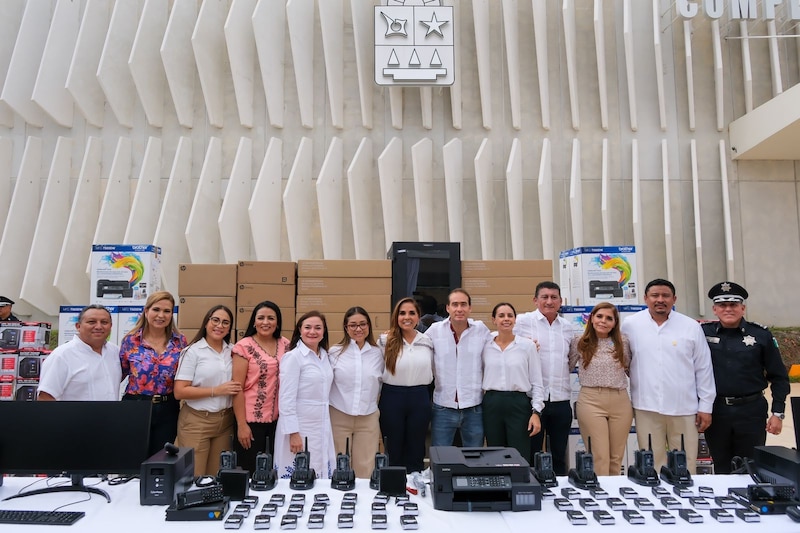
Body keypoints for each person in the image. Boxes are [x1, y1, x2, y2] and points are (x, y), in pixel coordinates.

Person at [621, 278, 715, 474]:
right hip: (646, 407)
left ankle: (685, 502)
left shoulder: (690, 326)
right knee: (650, 465)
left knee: (685, 465)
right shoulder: (630, 325)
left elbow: (703, 367)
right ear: (646, 298)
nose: (660, 300)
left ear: (674, 299)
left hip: (683, 408)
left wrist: (706, 406)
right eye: (655, 295)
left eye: (666, 296)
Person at [702, 281, 790, 473]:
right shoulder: (703, 333)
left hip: (751, 411)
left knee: (750, 466)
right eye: (723, 305)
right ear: (714, 309)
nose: (728, 309)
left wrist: (778, 413)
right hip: (716, 411)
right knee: (721, 465)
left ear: (743, 308)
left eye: (733, 305)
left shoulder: (761, 335)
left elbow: (779, 377)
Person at [173, 305, 241, 476]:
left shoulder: (233, 351)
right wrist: (216, 390)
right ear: (206, 322)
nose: (220, 326)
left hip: (225, 421)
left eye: (225, 323)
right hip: (197, 421)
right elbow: (179, 391)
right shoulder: (192, 352)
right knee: (194, 476)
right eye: (215, 320)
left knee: (217, 476)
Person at [513, 281, 572, 474]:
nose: (549, 301)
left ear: (560, 301)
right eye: (544, 297)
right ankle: (534, 491)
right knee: (532, 453)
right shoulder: (522, 322)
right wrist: (524, 345)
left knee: (559, 453)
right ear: (535, 300)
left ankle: (561, 493)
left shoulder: (568, 327)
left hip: (560, 399)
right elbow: (503, 343)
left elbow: (571, 359)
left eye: (554, 297)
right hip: (532, 401)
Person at [119, 291, 187, 456]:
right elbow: (119, 373)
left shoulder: (180, 342)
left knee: (160, 459)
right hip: (136, 405)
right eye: (156, 309)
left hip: (167, 408)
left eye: (167, 311)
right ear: (146, 311)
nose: (161, 315)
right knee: (132, 457)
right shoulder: (131, 341)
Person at [568, 302, 633, 476]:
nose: (603, 321)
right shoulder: (579, 341)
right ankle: (600, 496)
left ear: (615, 323)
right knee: (599, 456)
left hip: (620, 401)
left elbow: (629, 369)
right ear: (591, 318)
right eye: (599, 316)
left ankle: (614, 496)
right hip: (591, 401)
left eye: (609, 318)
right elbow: (566, 366)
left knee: (615, 457)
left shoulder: (623, 341)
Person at [274, 311, 336, 479]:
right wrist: (293, 432)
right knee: (299, 473)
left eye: (318, 328)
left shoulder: (325, 356)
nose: (312, 332)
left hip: (322, 423)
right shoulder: (293, 357)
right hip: (300, 424)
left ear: (324, 332)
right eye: (307, 327)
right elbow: (286, 398)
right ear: (300, 330)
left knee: (320, 470)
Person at [426, 288, 491, 448]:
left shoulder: (481, 330)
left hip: (474, 406)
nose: (459, 309)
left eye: (463, 304)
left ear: (470, 308)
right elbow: (415, 344)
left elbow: (499, 344)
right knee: (441, 457)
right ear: (448, 308)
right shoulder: (435, 331)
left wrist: (528, 342)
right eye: (455, 304)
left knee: (474, 456)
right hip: (443, 406)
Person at [231, 301, 290, 473]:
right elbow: (237, 388)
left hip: (279, 419)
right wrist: (241, 425)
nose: (266, 322)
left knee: (274, 470)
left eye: (271, 318)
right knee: (249, 470)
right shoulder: (244, 346)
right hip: (250, 419)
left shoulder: (286, 344)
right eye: (261, 318)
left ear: (277, 322)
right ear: (254, 322)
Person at [481, 302, 543, 460]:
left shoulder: (527, 346)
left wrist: (536, 412)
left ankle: (520, 484)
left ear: (515, 320)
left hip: (518, 403)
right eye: (501, 316)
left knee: (519, 453)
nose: (506, 319)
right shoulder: (485, 346)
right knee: (495, 452)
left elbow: (537, 381)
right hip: (492, 402)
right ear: (493, 319)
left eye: (510, 315)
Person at [378, 298, 434, 473]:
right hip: (392, 397)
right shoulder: (385, 341)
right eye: (402, 313)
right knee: (394, 446)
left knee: (416, 446)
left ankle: (415, 488)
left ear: (418, 317)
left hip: (420, 397)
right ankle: (393, 487)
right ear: (396, 316)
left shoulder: (428, 341)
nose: (407, 317)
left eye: (412, 313)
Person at [328, 307, 384, 478]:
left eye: (362, 324)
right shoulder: (334, 353)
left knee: (366, 466)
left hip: (368, 416)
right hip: (339, 414)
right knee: (339, 463)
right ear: (346, 328)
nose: (358, 329)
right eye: (353, 325)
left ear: (369, 326)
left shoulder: (379, 353)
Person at [38, 305, 121, 401]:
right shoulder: (61, 356)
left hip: (112, 415)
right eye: (91, 322)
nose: (98, 326)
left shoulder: (115, 352)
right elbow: (46, 397)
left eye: (104, 322)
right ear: (78, 326)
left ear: (111, 326)